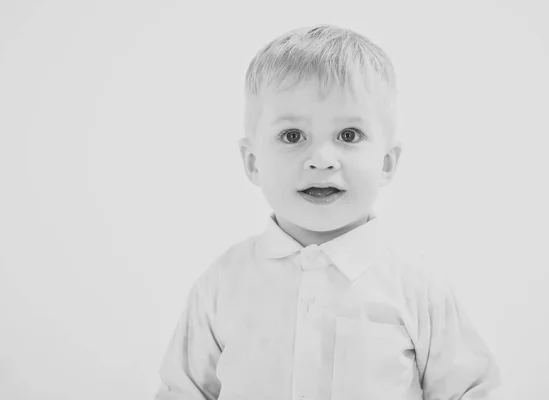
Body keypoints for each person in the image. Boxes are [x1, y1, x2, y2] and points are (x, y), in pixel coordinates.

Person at [155, 24, 501, 400]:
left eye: (348, 135)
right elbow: (183, 390)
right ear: (253, 162)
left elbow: (470, 391)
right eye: (293, 136)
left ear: (386, 162)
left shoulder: (417, 287)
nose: (321, 160)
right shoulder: (222, 283)